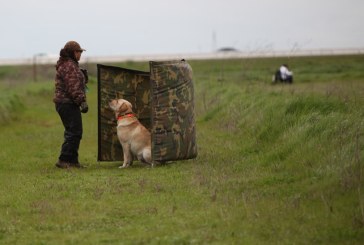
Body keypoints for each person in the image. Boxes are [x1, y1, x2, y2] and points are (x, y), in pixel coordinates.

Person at [53, 41, 89, 168]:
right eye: (78, 52)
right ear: (73, 53)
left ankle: (72, 162)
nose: (80, 54)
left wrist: (83, 77)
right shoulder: (69, 65)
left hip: (66, 103)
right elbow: (73, 86)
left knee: (74, 131)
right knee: (74, 132)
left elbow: (74, 82)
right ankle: (64, 160)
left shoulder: (69, 64)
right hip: (67, 103)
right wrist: (81, 101)